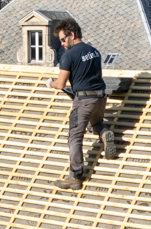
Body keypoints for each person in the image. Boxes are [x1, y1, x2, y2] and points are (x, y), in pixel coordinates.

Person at [47, 17, 116, 189]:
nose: (62, 44)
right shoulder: (94, 51)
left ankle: (75, 176)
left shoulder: (68, 55)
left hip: (84, 101)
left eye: (63, 39)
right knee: (95, 124)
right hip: (100, 97)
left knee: (75, 136)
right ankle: (105, 133)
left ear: (71, 35)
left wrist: (50, 83)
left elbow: (60, 84)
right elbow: (96, 76)